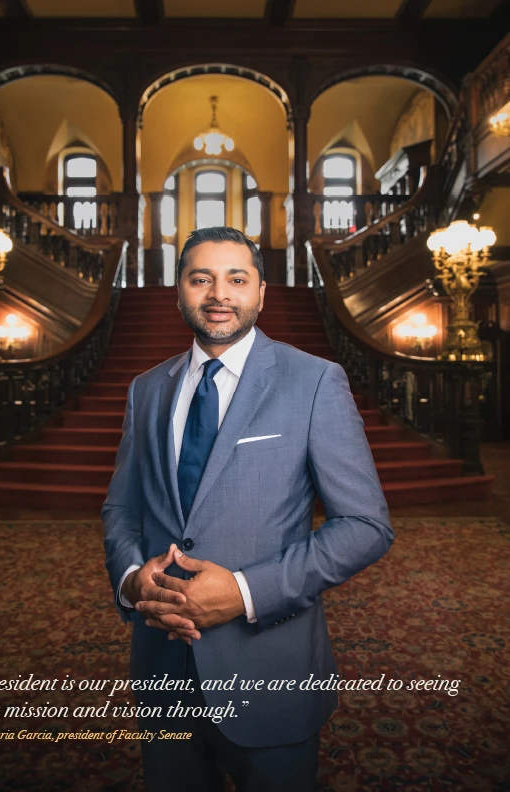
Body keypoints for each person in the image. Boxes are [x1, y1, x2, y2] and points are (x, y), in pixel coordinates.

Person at [101, 226, 394, 792]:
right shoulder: (146, 389)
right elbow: (121, 508)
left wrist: (243, 591)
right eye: (201, 278)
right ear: (179, 290)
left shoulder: (313, 381)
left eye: (237, 278)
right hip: (163, 668)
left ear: (261, 292)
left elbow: (365, 526)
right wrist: (134, 582)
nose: (219, 294)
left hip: (271, 670)